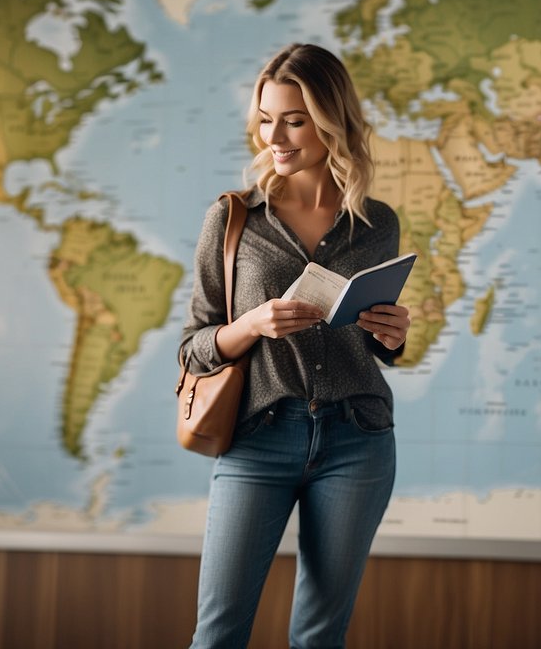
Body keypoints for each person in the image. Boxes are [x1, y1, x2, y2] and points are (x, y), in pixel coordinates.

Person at [179, 43, 411, 649]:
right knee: (218, 634)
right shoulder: (234, 219)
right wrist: (253, 324)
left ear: (331, 121)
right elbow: (194, 347)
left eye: (294, 119)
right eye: (264, 118)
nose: (273, 137)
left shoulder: (376, 222)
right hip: (259, 437)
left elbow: (373, 345)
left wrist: (392, 337)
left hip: (356, 440)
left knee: (319, 637)